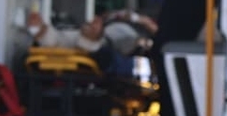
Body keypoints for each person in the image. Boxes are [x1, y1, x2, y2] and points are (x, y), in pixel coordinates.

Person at [27, 8, 157, 80]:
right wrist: (40, 30)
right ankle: (40, 30)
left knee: (107, 57)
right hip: (101, 45)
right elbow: (58, 40)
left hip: (112, 54)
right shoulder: (118, 22)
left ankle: (90, 40)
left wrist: (144, 22)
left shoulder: (132, 36)